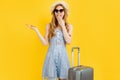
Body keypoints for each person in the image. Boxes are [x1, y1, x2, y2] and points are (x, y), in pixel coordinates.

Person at [25, 1, 73, 80]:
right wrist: (36, 30)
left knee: (65, 78)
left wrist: (63, 26)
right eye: (56, 11)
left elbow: (68, 41)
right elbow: (45, 43)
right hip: (51, 57)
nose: (58, 13)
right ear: (54, 13)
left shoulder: (69, 26)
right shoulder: (49, 26)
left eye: (61, 10)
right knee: (51, 78)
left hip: (63, 57)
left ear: (64, 12)